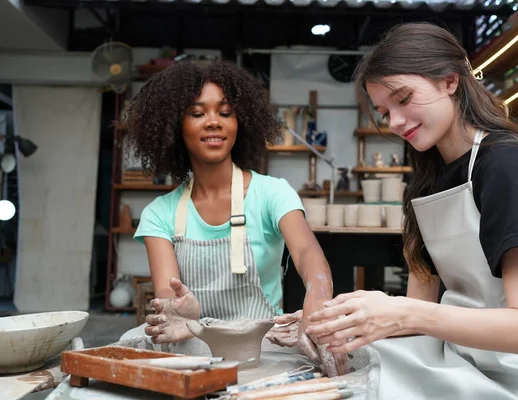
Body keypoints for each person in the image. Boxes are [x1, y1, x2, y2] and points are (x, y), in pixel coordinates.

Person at [305, 22, 518, 399]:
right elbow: (420, 310)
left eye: (403, 99)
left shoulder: (505, 166)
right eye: (384, 111)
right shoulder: (429, 181)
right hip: (464, 358)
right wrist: (342, 322)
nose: (394, 122)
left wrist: (400, 312)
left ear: (450, 81)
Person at [119, 59, 347, 376]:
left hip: (266, 346)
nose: (214, 122)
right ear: (174, 126)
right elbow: (168, 295)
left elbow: (308, 253)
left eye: (225, 112)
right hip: (196, 346)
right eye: (198, 113)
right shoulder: (160, 213)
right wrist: (182, 312)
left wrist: (318, 298)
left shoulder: (272, 193)